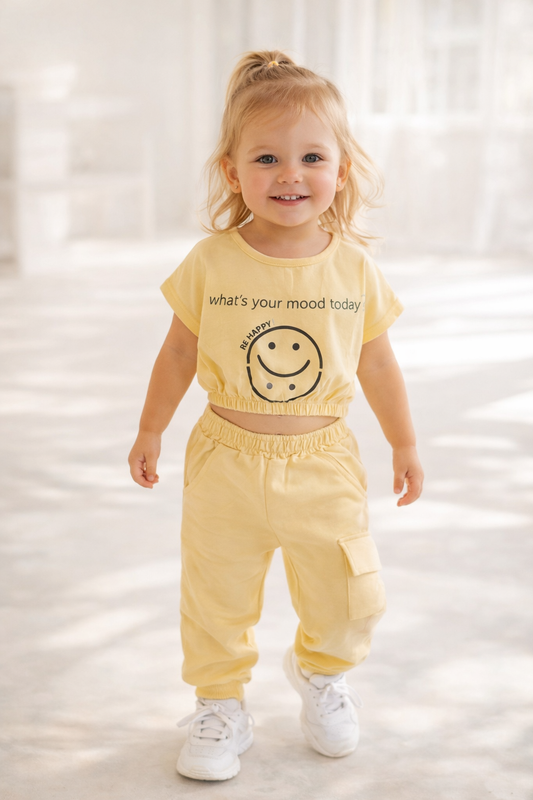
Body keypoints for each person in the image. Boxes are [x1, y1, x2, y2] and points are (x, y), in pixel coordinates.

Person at [128, 50, 424, 782]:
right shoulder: (212, 262)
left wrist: (404, 442)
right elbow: (177, 353)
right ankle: (219, 701)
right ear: (233, 172)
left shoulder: (352, 269)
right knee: (215, 591)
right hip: (224, 460)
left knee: (346, 588)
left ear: (341, 169)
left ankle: (322, 674)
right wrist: (150, 427)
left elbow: (378, 362)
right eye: (266, 157)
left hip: (322, 461)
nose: (289, 174)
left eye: (310, 157)